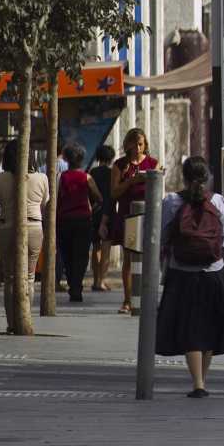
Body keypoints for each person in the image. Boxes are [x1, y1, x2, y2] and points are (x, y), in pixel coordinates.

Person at [155, 157, 224, 397]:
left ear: (183, 177)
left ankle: (198, 383)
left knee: (189, 328)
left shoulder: (172, 201)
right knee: (210, 327)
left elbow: (160, 237)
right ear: (207, 177)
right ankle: (203, 379)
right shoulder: (218, 201)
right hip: (214, 273)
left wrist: (161, 268)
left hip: (182, 274)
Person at [0, 140, 49, 290]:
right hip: (34, 227)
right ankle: (25, 313)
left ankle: (11, 314)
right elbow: (46, 206)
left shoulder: (0, 178)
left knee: (10, 278)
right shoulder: (42, 178)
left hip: (7, 228)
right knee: (30, 277)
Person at [111, 128, 160, 314]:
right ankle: (127, 299)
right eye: (135, 144)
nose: (138, 148)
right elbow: (114, 193)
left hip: (148, 216)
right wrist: (131, 181)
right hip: (128, 216)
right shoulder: (120, 165)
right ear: (128, 144)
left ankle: (147, 298)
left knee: (149, 258)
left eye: (141, 144)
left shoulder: (153, 163)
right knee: (129, 259)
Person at [55, 144, 102, 302]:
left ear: (67, 159)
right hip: (83, 220)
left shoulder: (60, 177)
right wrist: (91, 207)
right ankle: (77, 286)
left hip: (64, 221)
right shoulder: (87, 177)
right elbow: (99, 198)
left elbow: (55, 200)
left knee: (67, 254)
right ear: (81, 160)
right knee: (81, 256)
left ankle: (72, 284)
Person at [87, 143, 117, 293]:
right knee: (106, 248)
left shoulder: (93, 172)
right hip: (109, 212)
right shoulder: (113, 173)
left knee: (96, 248)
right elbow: (113, 195)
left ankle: (95, 280)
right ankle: (102, 281)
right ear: (111, 158)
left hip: (95, 211)